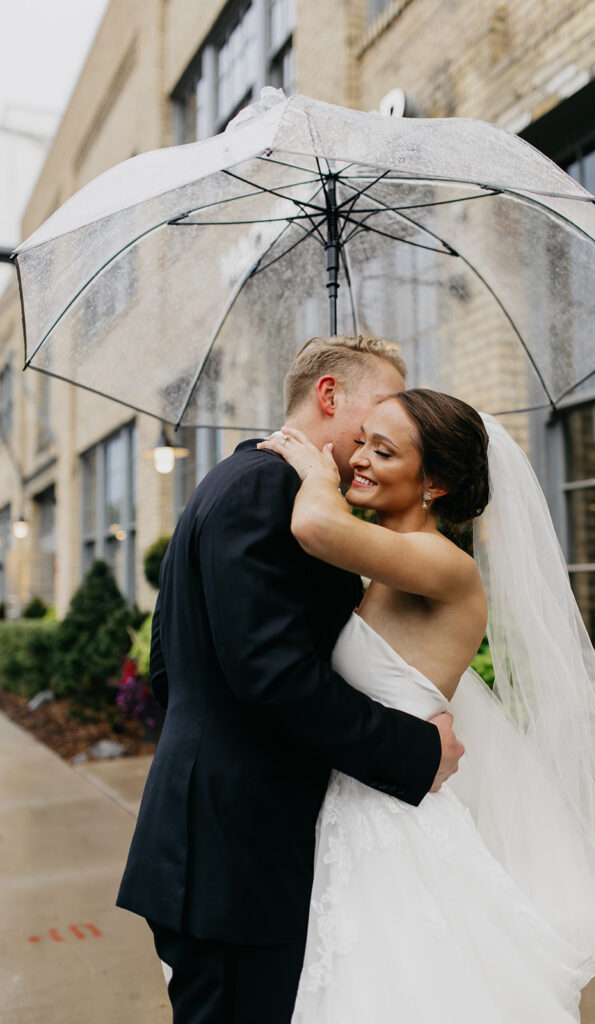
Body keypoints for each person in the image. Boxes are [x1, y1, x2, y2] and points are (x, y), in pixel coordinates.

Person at [258, 387, 595, 1023]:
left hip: (395, 829)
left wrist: (314, 471)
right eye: (361, 441)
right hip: (356, 813)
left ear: (435, 484)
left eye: (383, 450)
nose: (357, 459)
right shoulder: (384, 566)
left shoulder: (443, 563)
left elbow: (315, 526)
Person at [116, 337, 465, 1024]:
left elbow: (166, 663)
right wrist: (416, 751)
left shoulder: (248, 482)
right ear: (329, 396)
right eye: (374, 415)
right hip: (234, 852)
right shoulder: (267, 489)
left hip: (222, 837)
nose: (372, 443)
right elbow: (273, 677)